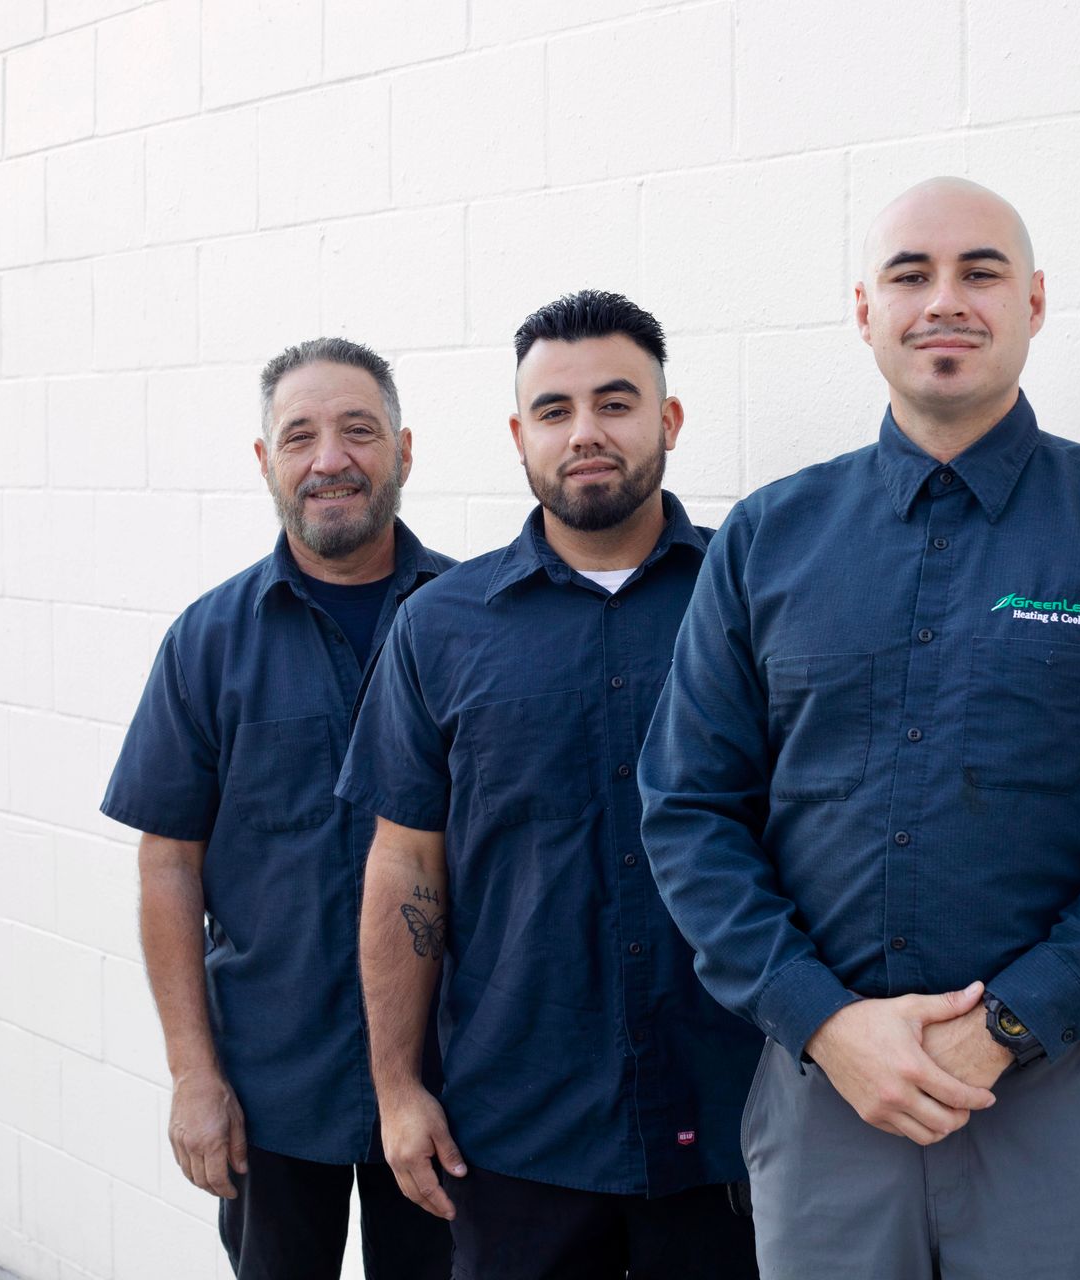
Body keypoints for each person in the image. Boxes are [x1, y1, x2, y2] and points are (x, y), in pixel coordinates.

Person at [638, 177, 1080, 1278]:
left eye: (980, 271)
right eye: (909, 274)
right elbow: (688, 809)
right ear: (864, 310)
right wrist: (823, 1019)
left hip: (1055, 1105)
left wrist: (1009, 1023)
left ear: (1033, 302)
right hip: (826, 1104)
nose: (945, 300)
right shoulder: (768, 539)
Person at [337, 291, 762, 1280]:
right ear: (519, 435)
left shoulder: (753, 600)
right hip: (517, 1131)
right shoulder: (439, 627)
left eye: (616, 403)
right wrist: (397, 1089)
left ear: (670, 419)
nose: (586, 434)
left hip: (738, 1119)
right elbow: (406, 864)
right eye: (555, 410)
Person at [101, 338, 454, 1280]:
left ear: (404, 451)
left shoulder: (475, 621)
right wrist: (193, 1075)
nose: (330, 459)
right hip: (270, 1087)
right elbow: (168, 865)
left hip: (452, 1085)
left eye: (359, 431)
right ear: (266, 462)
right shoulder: (207, 643)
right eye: (300, 436)